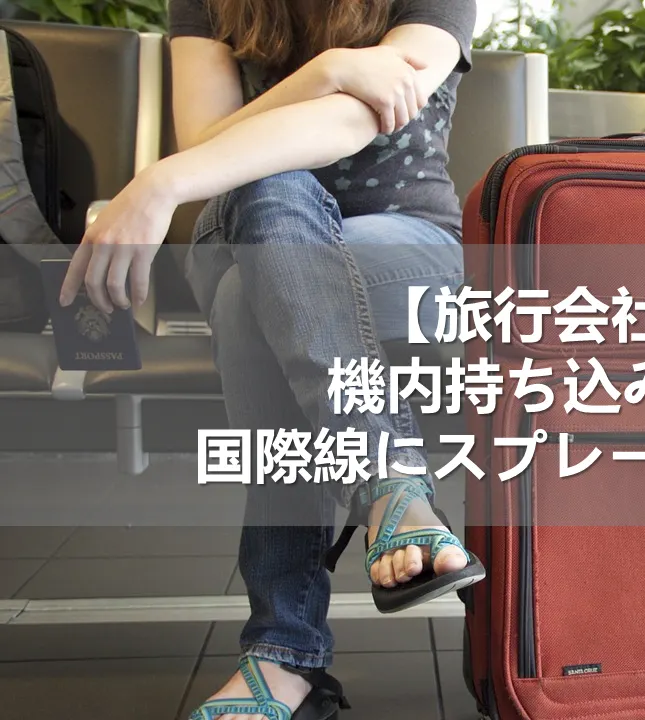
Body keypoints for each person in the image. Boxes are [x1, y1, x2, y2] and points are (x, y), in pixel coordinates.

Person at [56, 1, 483, 717]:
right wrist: (330, 69)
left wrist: (165, 179)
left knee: (250, 299)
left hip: (405, 242)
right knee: (269, 187)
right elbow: (206, 139)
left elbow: (359, 116)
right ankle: (390, 484)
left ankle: (284, 654)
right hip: (239, 230)